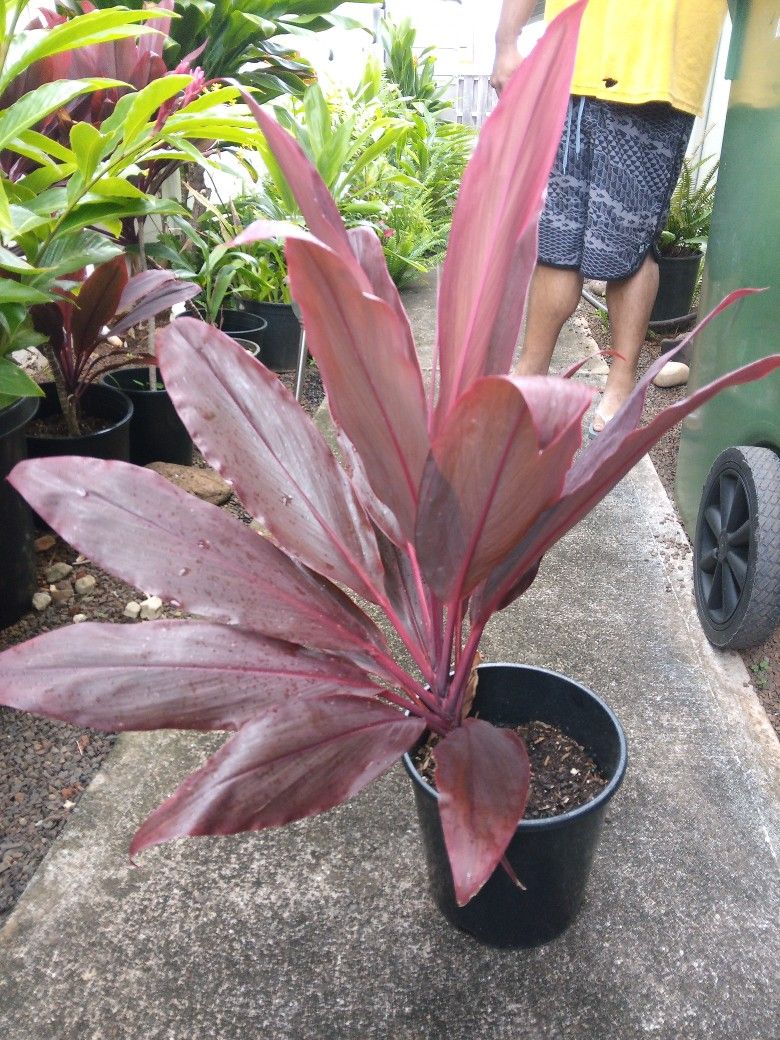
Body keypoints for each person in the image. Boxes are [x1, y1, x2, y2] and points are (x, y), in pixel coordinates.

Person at [491, 0, 727, 431]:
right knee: (558, 236)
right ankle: (531, 370)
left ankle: (621, 380)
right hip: (573, 60)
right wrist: (505, 42)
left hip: (657, 66)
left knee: (629, 240)